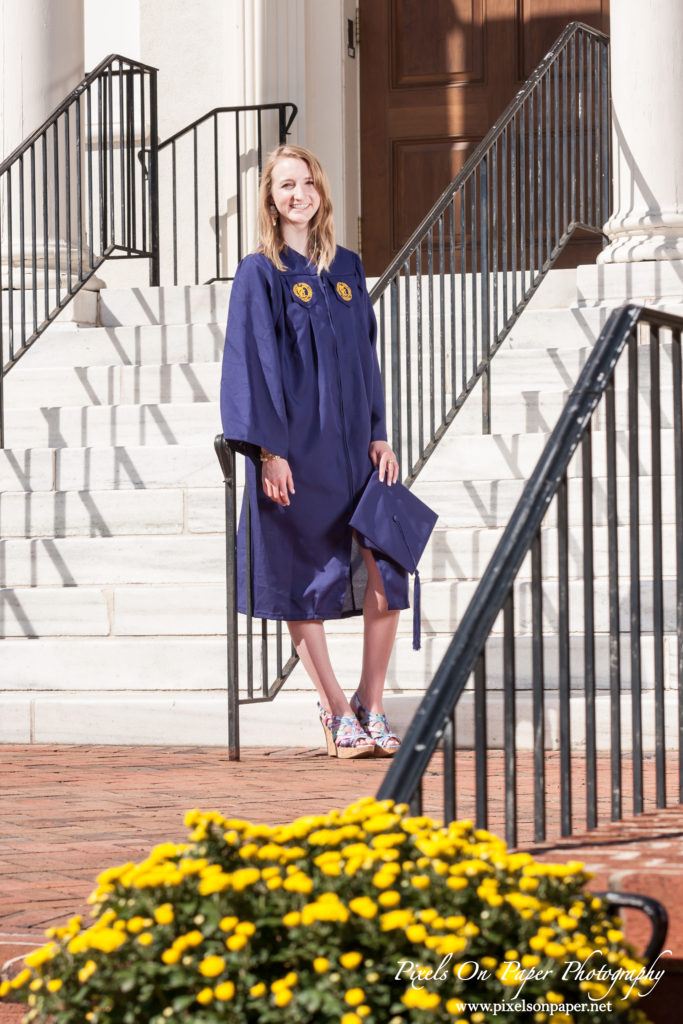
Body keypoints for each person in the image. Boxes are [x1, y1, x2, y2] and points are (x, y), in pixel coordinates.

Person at [220, 144, 408, 759]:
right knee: (304, 577)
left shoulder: (347, 267)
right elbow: (249, 363)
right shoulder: (260, 273)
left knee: (388, 566)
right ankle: (334, 713)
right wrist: (268, 451)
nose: (298, 194)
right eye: (284, 187)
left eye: (306, 183)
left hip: (356, 452)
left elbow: (367, 359)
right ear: (270, 203)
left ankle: (371, 703)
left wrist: (380, 432)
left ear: (320, 192)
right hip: (295, 454)